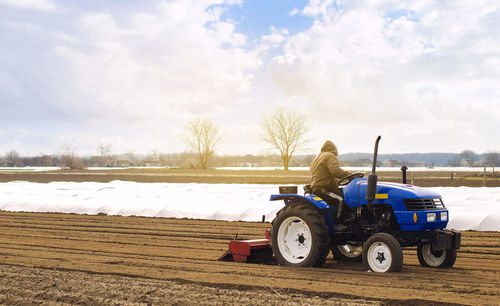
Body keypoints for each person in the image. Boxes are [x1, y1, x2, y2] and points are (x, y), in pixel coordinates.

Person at [310, 140, 350, 218]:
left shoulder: (316, 158)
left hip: (317, 188)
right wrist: (350, 175)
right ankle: (340, 223)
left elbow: (323, 175)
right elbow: (336, 171)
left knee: (345, 194)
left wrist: (338, 181)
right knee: (342, 199)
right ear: (334, 150)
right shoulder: (330, 156)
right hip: (324, 189)